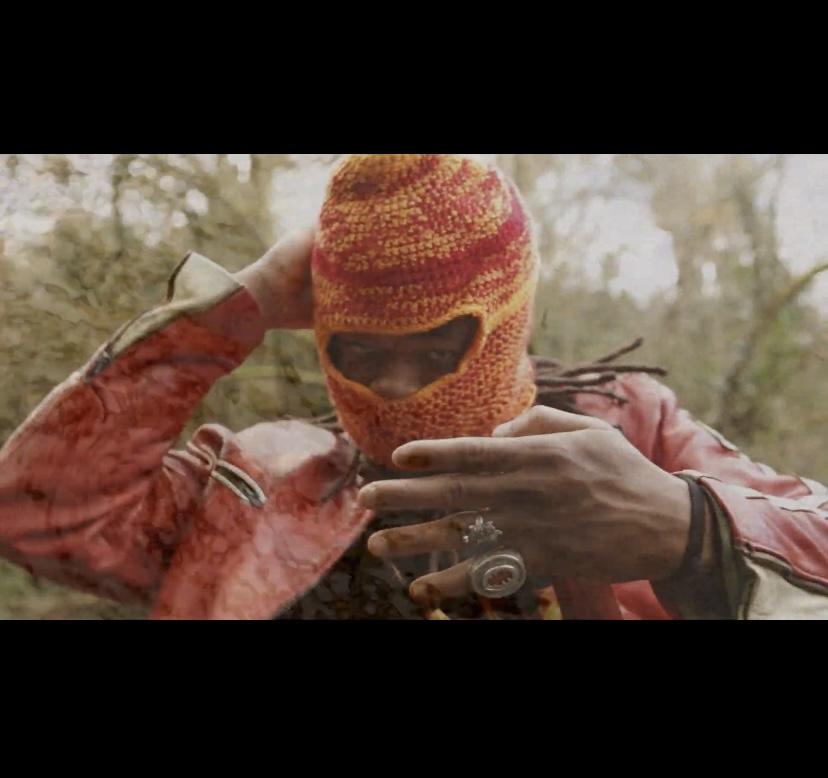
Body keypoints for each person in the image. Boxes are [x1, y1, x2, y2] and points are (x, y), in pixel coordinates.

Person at [1, 153, 827, 620]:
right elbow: (39, 510)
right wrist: (230, 311)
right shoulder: (257, 481)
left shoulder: (626, 431)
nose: (396, 389)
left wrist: (692, 528)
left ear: (508, 321)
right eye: (361, 351)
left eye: (438, 349)